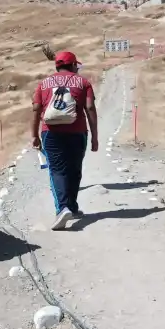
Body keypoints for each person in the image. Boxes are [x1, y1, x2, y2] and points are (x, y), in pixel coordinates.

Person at [30, 51, 99, 230]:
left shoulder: (43, 84)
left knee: (57, 170)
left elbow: (36, 109)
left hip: (51, 133)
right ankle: (72, 207)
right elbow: (90, 107)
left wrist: (34, 135)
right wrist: (95, 137)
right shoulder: (83, 82)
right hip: (78, 132)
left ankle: (63, 209)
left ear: (57, 66)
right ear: (74, 65)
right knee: (74, 170)